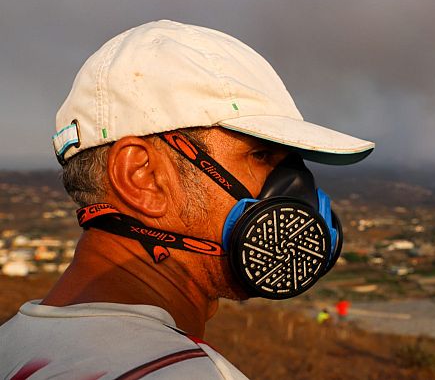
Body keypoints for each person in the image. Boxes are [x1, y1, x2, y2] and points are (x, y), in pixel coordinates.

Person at [0, 20, 374, 378]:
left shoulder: (10, 345)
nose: (299, 193)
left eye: (294, 167)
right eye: (261, 157)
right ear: (142, 177)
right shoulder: (189, 373)